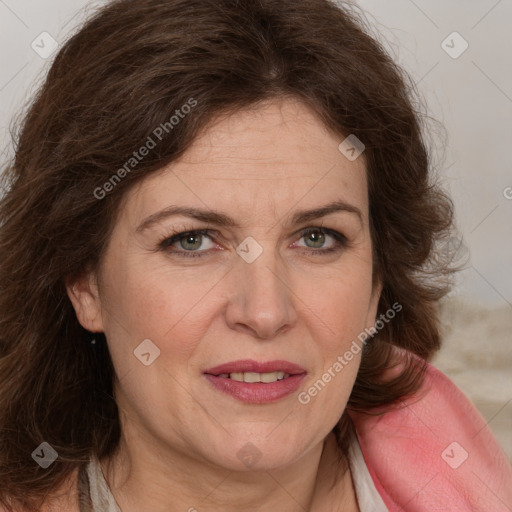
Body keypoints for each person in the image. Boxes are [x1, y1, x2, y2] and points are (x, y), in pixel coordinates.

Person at [0, 0, 510, 510]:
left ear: (378, 281)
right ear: (84, 282)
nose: (266, 312)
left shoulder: (455, 455)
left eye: (317, 238)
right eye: (192, 240)